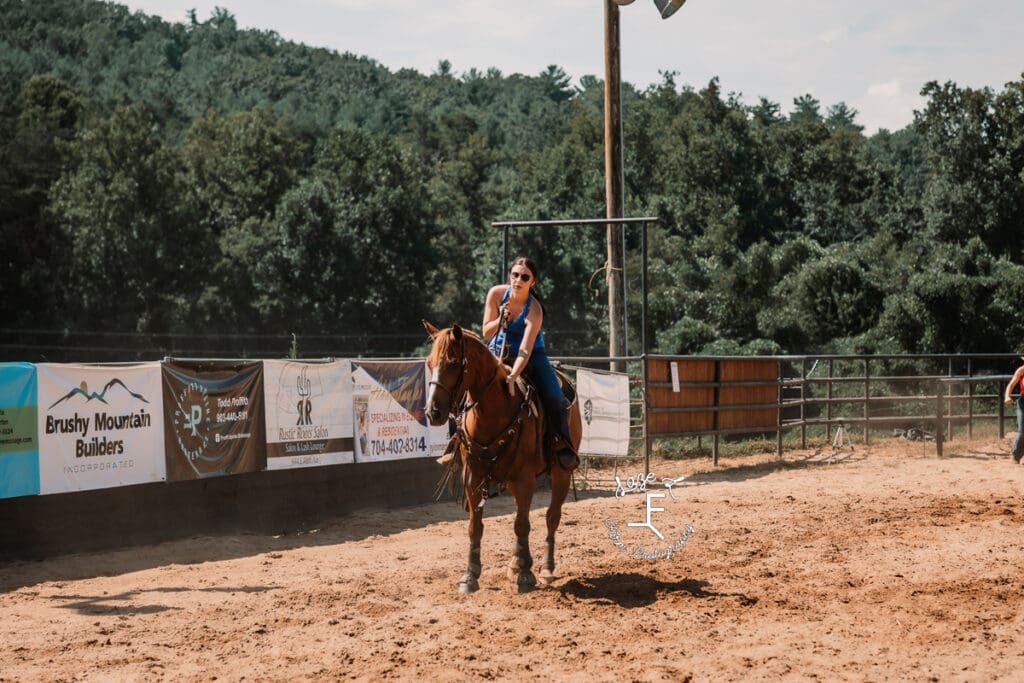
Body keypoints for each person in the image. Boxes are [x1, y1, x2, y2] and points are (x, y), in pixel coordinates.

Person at [482, 256, 578, 471]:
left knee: (555, 397)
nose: (518, 280)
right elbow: (486, 331)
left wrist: (512, 377)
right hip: (497, 350)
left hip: (531, 354)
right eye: (515, 275)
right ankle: (457, 441)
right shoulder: (496, 294)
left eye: (525, 277)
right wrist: (501, 319)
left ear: (532, 282)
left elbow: (525, 350)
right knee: (465, 382)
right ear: (510, 275)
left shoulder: (534, 310)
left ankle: (562, 444)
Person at [1003, 356, 1024, 464]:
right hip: (1023, 403)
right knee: (1022, 431)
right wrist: (1007, 396)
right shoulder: (1021, 370)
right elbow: (1010, 386)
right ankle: (1016, 455)